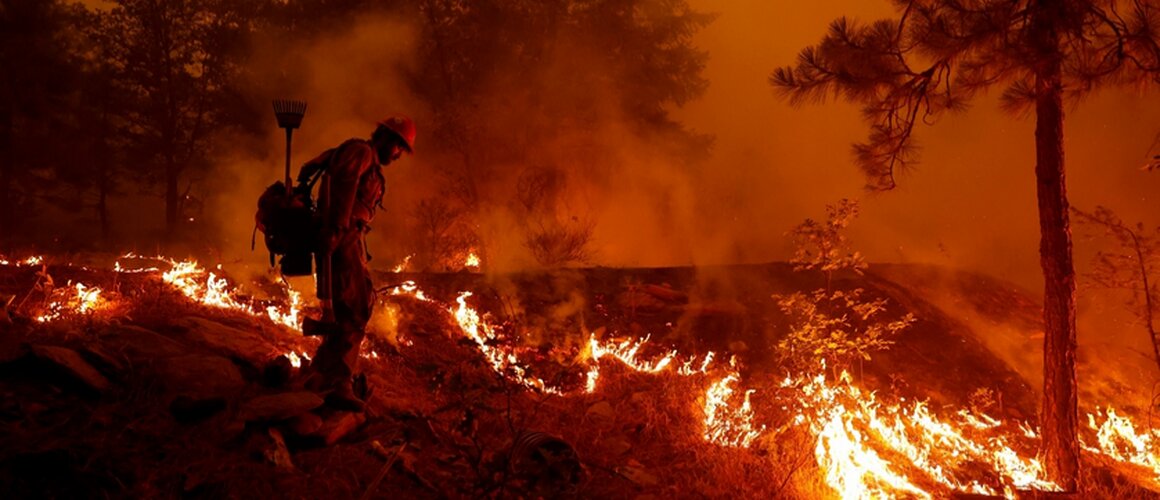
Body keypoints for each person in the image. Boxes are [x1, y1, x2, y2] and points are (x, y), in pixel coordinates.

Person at [300, 116, 415, 411]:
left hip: (350, 236)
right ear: (387, 139)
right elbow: (343, 189)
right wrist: (336, 232)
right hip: (344, 237)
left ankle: (321, 373)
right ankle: (339, 383)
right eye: (399, 147)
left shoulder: (364, 156)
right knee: (354, 308)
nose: (398, 154)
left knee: (345, 309)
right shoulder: (362, 153)